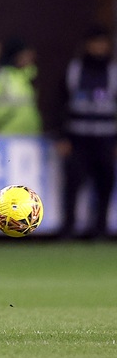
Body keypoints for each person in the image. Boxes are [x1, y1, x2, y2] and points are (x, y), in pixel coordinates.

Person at [55, 24, 117, 240]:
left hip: (105, 139)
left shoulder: (112, 72)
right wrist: (62, 137)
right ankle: (68, 227)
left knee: (105, 185)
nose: (99, 48)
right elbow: (60, 105)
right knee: (72, 184)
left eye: (102, 43)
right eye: (95, 43)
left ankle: (101, 228)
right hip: (78, 139)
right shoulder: (74, 70)